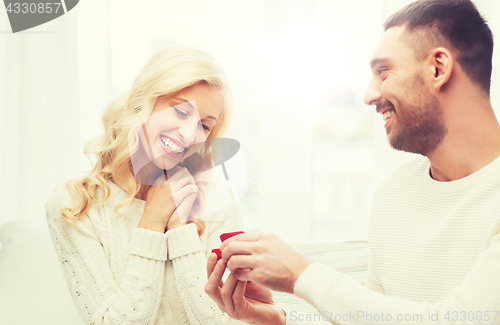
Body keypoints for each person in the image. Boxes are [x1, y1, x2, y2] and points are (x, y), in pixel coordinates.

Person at [205, 0, 500, 324]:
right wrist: (280, 318)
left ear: (438, 68)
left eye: (384, 72)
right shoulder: (395, 193)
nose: (369, 95)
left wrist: (301, 273)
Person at [46, 46, 252, 324]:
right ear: (143, 103)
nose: (190, 134)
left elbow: (225, 321)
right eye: (180, 112)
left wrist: (181, 230)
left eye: (205, 125)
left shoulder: (218, 198)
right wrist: (152, 223)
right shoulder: (75, 204)